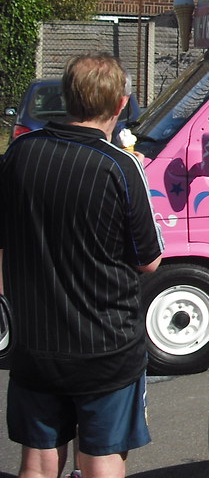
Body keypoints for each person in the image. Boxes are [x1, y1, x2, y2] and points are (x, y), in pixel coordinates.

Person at [0, 53, 164, 478]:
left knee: (36, 460)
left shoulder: (20, 153)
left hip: (36, 341)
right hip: (105, 345)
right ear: (121, 105)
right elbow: (149, 261)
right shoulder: (121, 166)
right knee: (101, 457)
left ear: (66, 98)